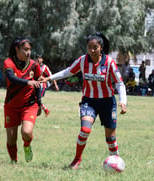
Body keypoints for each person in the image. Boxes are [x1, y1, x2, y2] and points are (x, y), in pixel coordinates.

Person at [40, 32, 127, 169]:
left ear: (101, 48)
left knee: (110, 138)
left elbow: (120, 83)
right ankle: (77, 160)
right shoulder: (83, 60)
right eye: (89, 47)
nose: (92, 51)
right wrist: (49, 78)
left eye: (95, 47)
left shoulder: (109, 62)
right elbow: (68, 71)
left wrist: (123, 101)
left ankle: (116, 163)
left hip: (107, 103)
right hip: (89, 102)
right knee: (85, 130)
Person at [3, 37, 42, 163]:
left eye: (29, 49)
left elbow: (37, 85)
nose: (28, 52)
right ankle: (14, 162)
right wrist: (27, 82)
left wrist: (40, 104)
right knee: (11, 139)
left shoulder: (34, 65)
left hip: (29, 105)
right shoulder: (9, 62)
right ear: (17, 49)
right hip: (11, 105)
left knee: (26, 132)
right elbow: (11, 78)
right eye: (25, 50)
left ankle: (27, 145)